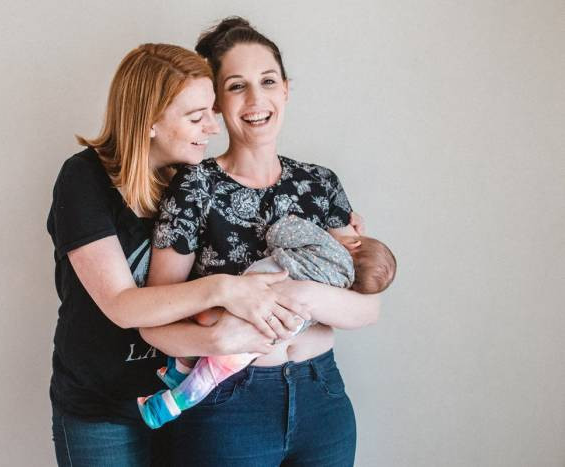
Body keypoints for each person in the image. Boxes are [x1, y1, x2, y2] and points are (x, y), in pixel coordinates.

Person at [47, 43, 309, 467]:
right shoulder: (85, 178)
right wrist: (224, 290)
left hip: (191, 402)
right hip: (102, 410)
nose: (212, 127)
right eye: (196, 117)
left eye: (211, 111)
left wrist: (340, 240)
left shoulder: (193, 184)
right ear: (149, 120)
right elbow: (121, 304)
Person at [139, 17, 383, 466]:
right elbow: (153, 321)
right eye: (236, 86)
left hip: (321, 397)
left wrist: (300, 294)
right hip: (227, 405)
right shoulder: (194, 187)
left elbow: (366, 308)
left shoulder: (320, 184)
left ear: (285, 89)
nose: (256, 99)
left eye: (267, 81)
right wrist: (216, 342)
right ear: (215, 102)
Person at [138, 215, 397, 428]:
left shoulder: (329, 244)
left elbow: (280, 231)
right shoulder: (342, 287)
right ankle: (169, 395)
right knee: (210, 373)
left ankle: (167, 397)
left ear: (354, 244)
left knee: (202, 323)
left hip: (257, 323)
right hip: (265, 343)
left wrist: (314, 236)